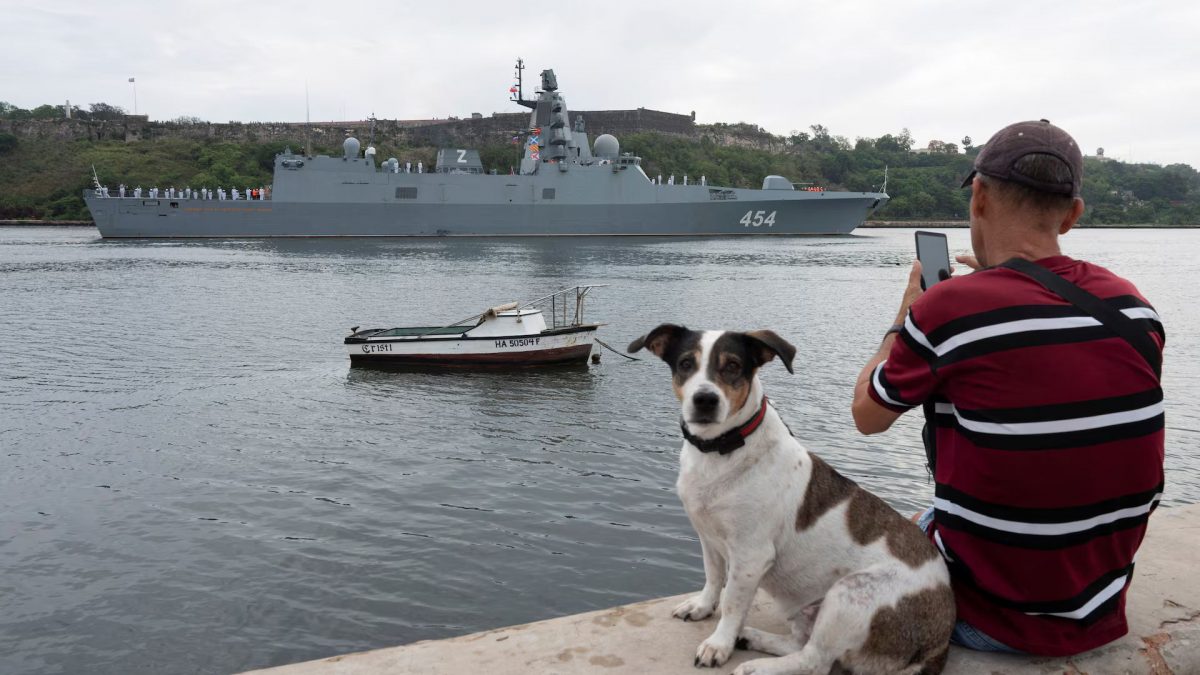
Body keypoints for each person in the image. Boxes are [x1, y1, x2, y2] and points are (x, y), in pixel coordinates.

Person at [851, 120, 1165, 657]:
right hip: (1098, 610)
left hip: (988, 622)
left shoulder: (946, 310)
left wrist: (905, 317)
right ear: (1072, 215)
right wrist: (1005, 291)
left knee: (882, 538)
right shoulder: (1134, 307)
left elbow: (867, 416)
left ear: (978, 197)